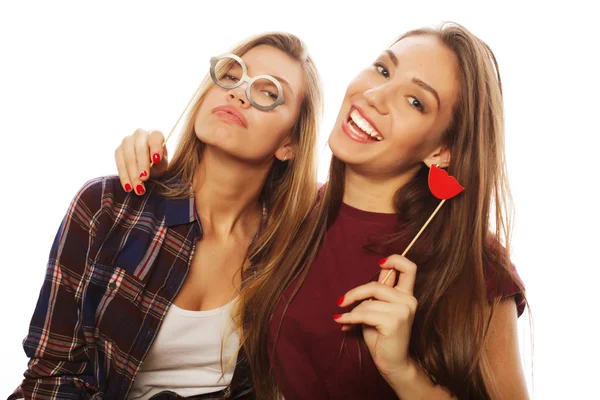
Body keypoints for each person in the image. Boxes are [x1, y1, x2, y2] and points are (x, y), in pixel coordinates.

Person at [115, 22, 529, 399]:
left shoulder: (472, 263)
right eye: (383, 70)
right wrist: (157, 172)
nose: (375, 96)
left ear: (441, 150)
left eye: (416, 102)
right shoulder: (287, 217)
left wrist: (405, 373)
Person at [10, 31, 323, 400]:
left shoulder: (293, 247)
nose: (239, 92)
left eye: (269, 92)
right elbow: (51, 376)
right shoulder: (107, 206)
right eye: (233, 74)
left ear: (290, 144)